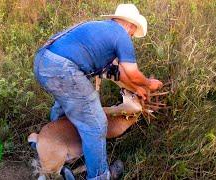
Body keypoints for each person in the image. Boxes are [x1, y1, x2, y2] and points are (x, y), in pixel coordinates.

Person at [33, 3, 163, 180]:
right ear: (130, 25)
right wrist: (149, 83)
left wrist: (137, 89)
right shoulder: (120, 35)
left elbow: (118, 74)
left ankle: (57, 147)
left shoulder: (100, 32)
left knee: (65, 105)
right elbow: (131, 72)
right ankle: (100, 176)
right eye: (134, 31)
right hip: (63, 68)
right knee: (96, 124)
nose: (132, 35)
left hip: (43, 62)